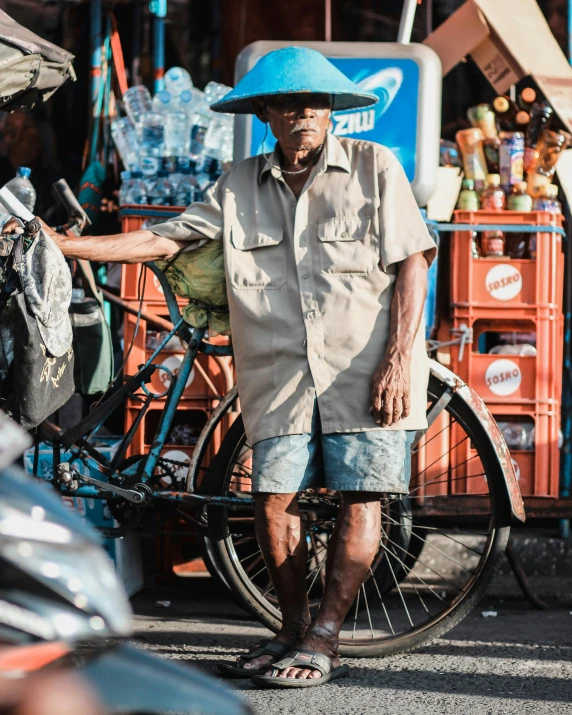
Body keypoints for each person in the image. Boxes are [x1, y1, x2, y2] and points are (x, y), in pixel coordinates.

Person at [3, 46, 436, 688]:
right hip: (280, 372)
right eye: (289, 106)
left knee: (360, 497)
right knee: (269, 503)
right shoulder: (238, 183)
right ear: (266, 114)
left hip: (365, 366)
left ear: (331, 113)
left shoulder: (374, 169)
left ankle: (323, 636)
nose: (304, 116)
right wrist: (62, 243)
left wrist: (399, 358)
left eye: (314, 105)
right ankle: (291, 627)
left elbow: (413, 263)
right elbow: (163, 238)